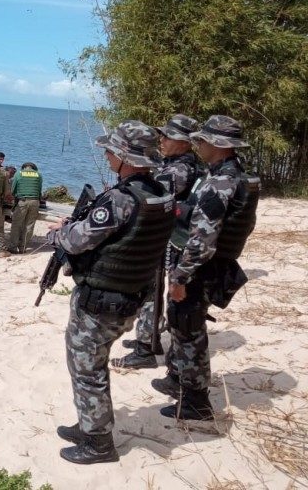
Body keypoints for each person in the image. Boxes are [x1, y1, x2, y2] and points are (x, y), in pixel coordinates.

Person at [46, 121, 174, 464]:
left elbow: (76, 240)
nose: (106, 155)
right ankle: (90, 425)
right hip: (132, 295)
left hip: (102, 301)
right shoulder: (160, 193)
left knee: (88, 368)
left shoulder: (120, 199)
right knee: (91, 364)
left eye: (111, 151)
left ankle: (99, 443)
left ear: (124, 156)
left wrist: (59, 232)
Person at [152, 115, 260, 421]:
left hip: (201, 268)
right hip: (213, 265)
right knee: (184, 324)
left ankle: (196, 403)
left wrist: (180, 276)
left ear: (219, 145)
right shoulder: (231, 174)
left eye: (202, 140)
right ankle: (178, 379)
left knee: (188, 328)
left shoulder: (219, 183)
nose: (198, 144)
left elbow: (202, 239)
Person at [113, 114, 202, 369]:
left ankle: (145, 348)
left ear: (184, 142)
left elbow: (151, 194)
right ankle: (150, 338)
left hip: (166, 237)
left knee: (150, 289)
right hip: (166, 235)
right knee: (150, 288)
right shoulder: (175, 162)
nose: (161, 140)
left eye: (167, 136)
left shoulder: (180, 168)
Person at [8, 162, 43, 254]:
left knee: (16, 225)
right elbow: (39, 190)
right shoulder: (38, 175)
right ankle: (23, 248)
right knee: (29, 225)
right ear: (33, 168)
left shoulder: (19, 173)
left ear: (24, 167)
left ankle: (13, 247)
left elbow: (13, 190)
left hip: (22, 202)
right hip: (35, 202)